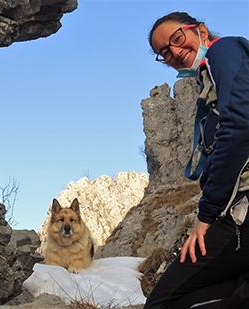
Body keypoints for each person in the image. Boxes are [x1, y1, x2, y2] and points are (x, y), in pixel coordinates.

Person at [145, 12, 249, 309]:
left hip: (242, 208)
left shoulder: (223, 49)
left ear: (201, 30)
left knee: (162, 303)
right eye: (164, 53)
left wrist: (206, 215)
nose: (174, 52)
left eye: (177, 39)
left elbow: (239, 125)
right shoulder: (210, 78)